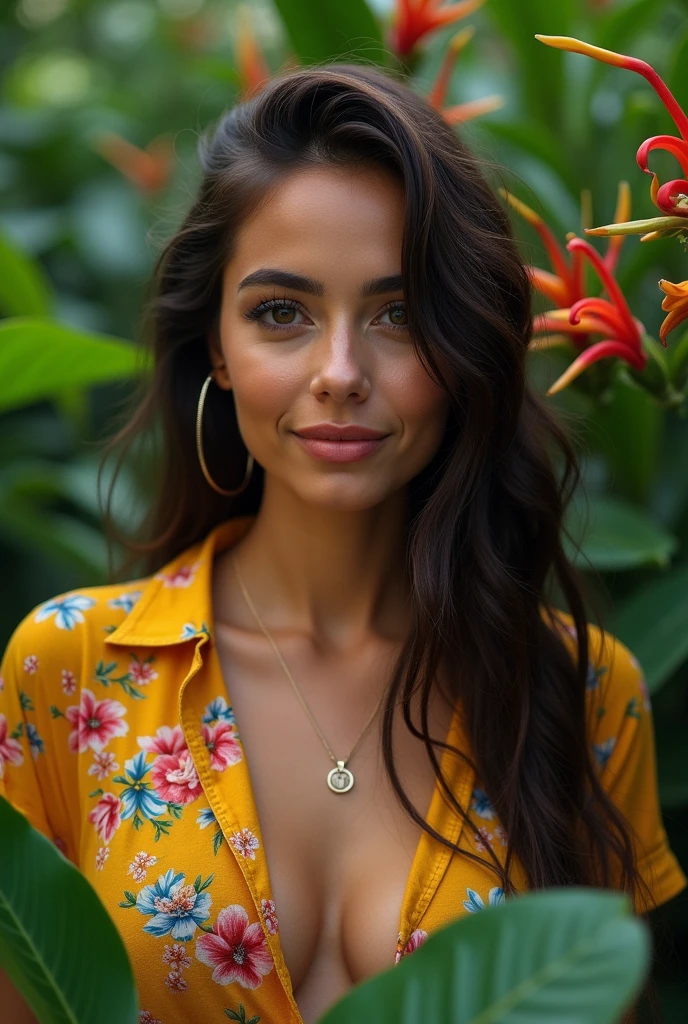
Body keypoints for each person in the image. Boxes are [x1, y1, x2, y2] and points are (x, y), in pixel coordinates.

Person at [1, 62, 685, 1024]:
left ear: (467, 351)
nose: (339, 372)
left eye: (400, 315)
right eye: (281, 312)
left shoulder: (580, 692)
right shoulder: (67, 670)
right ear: (216, 352)